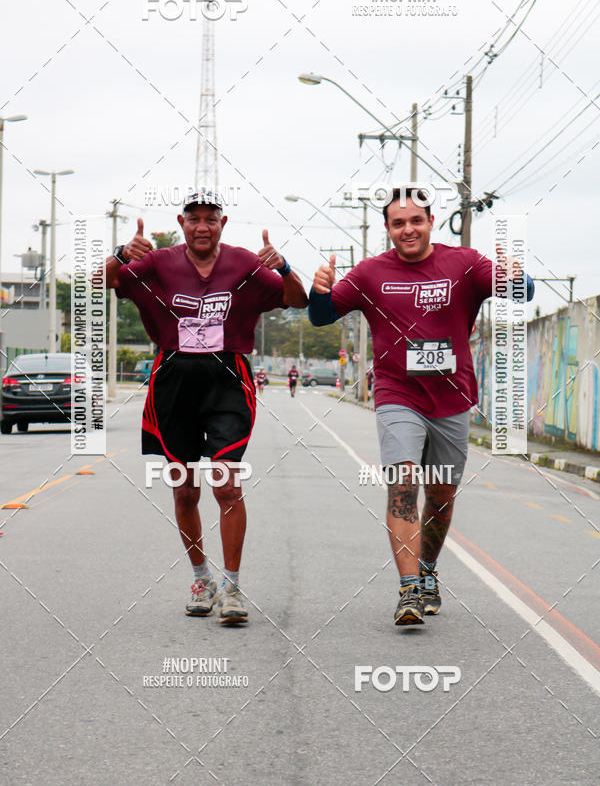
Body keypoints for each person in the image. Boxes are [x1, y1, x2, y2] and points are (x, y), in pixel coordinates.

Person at [309, 187, 533, 626]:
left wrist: (516, 275)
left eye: (416, 220)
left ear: (432, 221)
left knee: (442, 495)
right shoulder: (371, 273)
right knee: (404, 482)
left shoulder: (464, 264)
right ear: (388, 229)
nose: (407, 229)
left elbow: (520, 294)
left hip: (451, 399)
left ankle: (428, 571)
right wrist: (319, 291)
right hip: (397, 394)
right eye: (398, 223)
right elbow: (320, 317)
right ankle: (409, 591)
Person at [105, 189, 307, 624]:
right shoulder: (158, 263)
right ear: (182, 223)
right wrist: (121, 254)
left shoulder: (245, 265)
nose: (202, 226)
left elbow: (298, 299)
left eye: (210, 219)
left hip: (227, 381)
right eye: (193, 218)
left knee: (226, 485)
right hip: (172, 381)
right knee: (185, 489)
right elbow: (99, 282)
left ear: (223, 223)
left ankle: (232, 587)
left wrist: (284, 266)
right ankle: (202, 579)